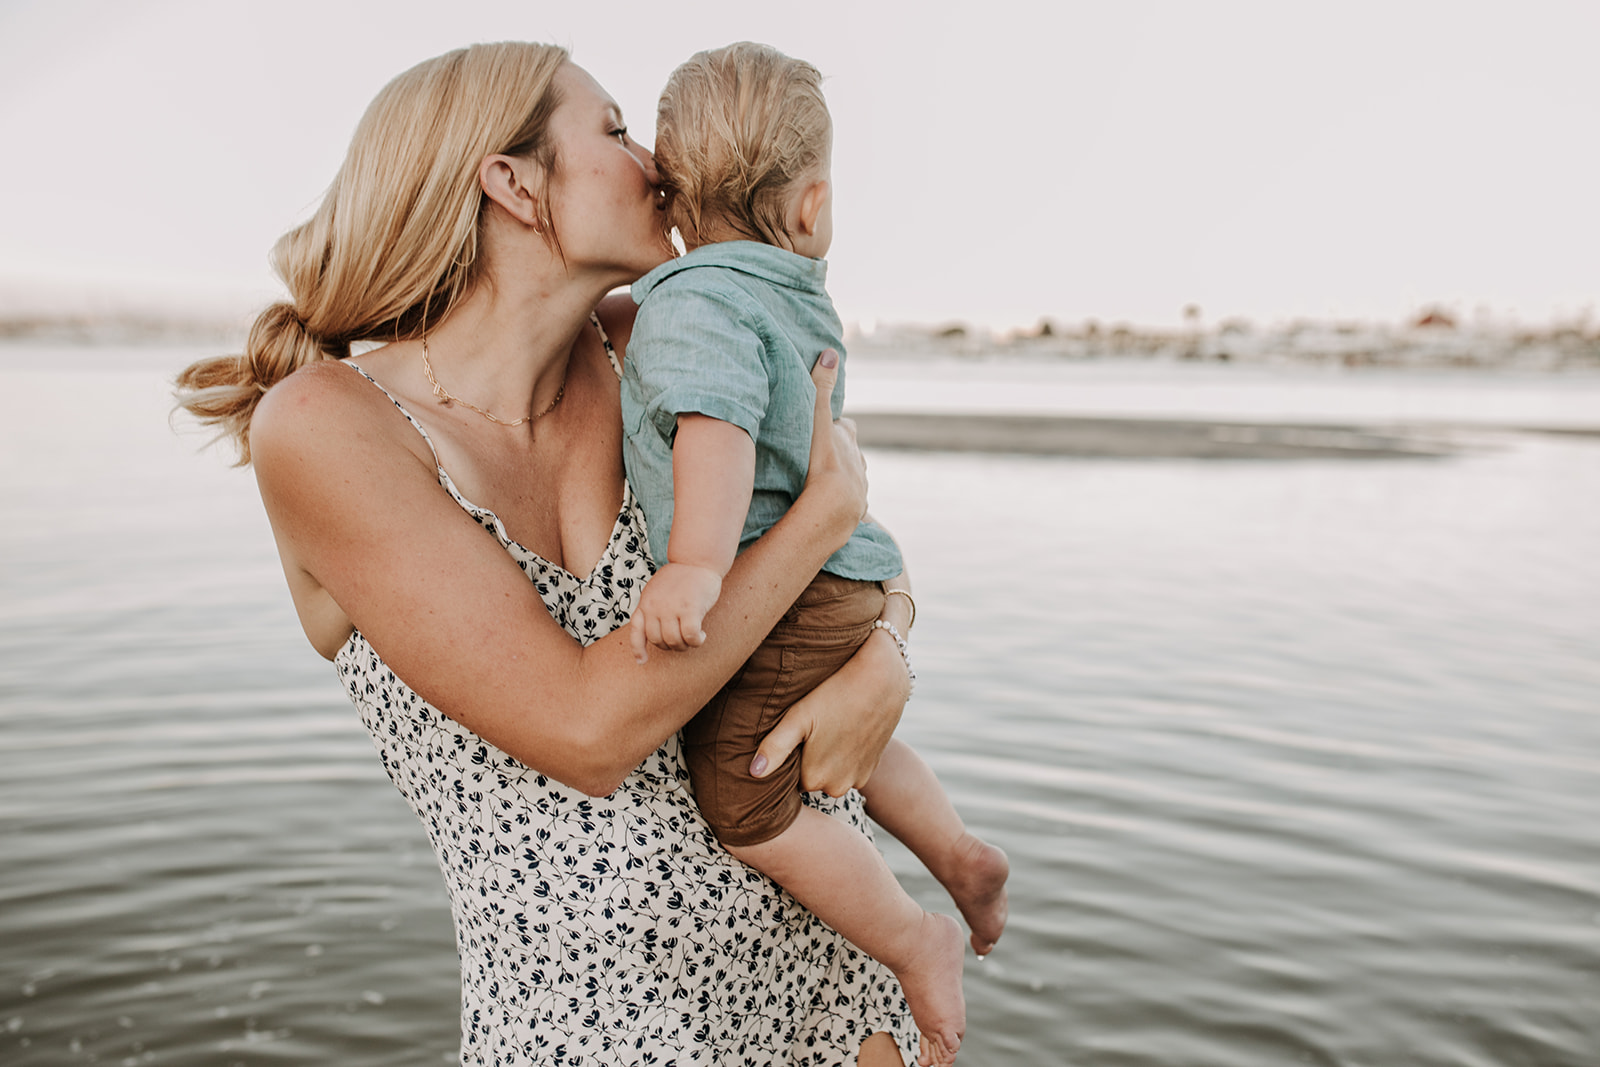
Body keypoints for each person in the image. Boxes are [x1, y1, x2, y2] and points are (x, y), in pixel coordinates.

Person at [175, 42, 925, 1067]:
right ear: (514, 184)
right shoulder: (330, 426)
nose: (659, 159)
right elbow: (587, 727)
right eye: (614, 131)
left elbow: (853, 543)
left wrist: (890, 645)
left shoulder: (663, 342)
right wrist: (819, 523)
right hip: (588, 1031)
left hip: (832, 993)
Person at [621, 43, 1008, 1067]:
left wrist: (697, 566)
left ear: (667, 199)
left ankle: (910, 931)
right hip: (847, 582)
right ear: (810, 207)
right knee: (852, 741)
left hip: (779, 590)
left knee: (746, 796)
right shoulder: (793, 290)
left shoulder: (690, 302)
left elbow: (715, 429)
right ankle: (956, 849)